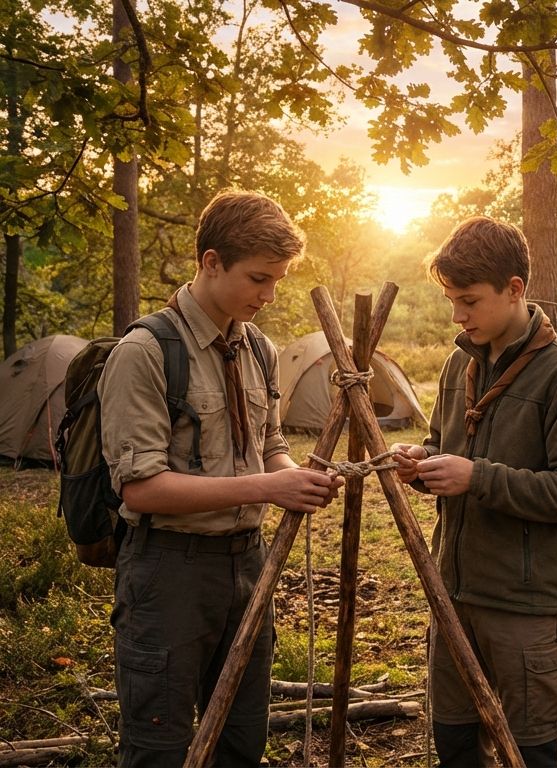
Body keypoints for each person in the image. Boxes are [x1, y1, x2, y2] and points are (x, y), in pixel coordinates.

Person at [100, 190, 344, 767]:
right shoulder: (146, 351)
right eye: (259, 278)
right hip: (168, 572)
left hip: (248, 564)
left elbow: (269, 446)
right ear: (211, 262)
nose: (269, 295)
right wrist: (269, 487)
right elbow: (141, 488)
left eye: (277, 280)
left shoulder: (258, 347)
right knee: (159, 746)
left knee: (241, 738)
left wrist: (298, 479)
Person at [390, 216, 557, 768]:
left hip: (525, 606)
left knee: (535, 753)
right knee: (456, 744)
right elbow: (444, 446)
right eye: (450, 301)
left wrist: (476, 477)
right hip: (453, 595)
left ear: (514, 289)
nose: (457, 316)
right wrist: (422, 462)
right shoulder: (458, 363)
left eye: (469, 301)